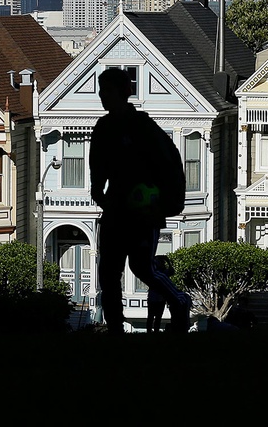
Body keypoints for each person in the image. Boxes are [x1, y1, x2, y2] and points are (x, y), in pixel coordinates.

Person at [90, 68, 191, 335]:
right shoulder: (103, 128)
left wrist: (166, 205)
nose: (104, 96)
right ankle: (115, 329)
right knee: (108, 274)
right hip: (115, 210)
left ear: (125, 93)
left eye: (109, 91)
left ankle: (179, 300)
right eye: (102, 91)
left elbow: (171, 165)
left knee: (142, 267)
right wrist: (98, 191)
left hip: (143, 213)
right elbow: (97, 167)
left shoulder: (144, 128)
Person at [146, 255, 173, 333]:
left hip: (160, 298)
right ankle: (150, 332)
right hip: (154, 298)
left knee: (157, 317)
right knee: (151, 317)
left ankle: (155, 332)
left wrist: (168, 262)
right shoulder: (154, 272)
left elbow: (172, 271)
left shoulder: (163, 273)